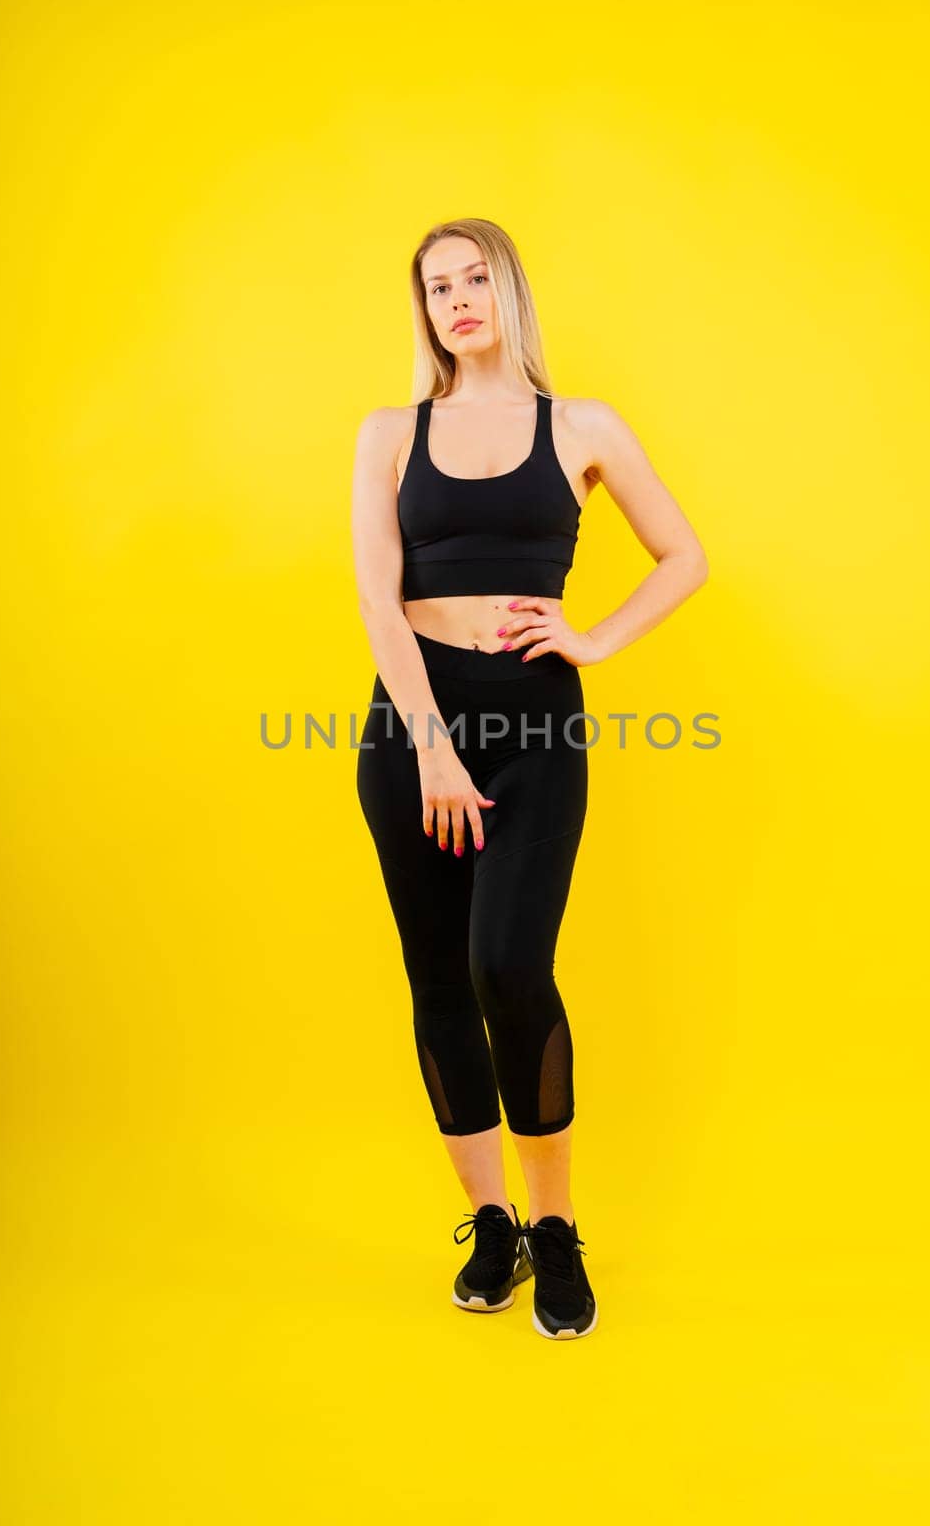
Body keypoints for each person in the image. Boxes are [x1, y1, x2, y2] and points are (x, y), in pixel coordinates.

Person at [351, 218, 709, 1340]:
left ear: (506, 290)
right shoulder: (388, 432)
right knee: (438, 980)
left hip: (533, 720)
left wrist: (594, 639)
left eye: (472, 279)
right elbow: (375, 597)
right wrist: (431, 746)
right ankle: (492, 1221)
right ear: (423, 309)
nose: (455, 300)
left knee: (508, 965)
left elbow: (684, 554)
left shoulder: (581, 424)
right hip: (413, 728)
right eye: (435, 287)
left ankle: (554, 1228)